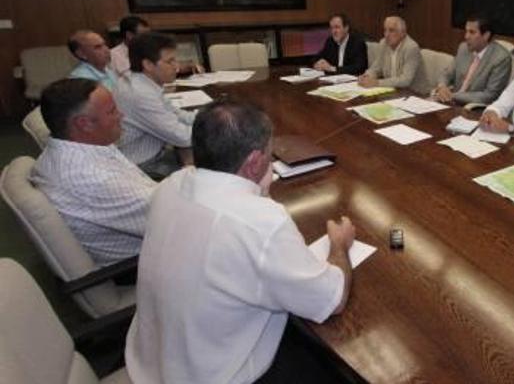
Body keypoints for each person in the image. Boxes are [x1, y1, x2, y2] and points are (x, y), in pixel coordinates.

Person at [125, 100, 356, 383]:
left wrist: (256, 191)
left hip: (157, 358)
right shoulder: (260, 222)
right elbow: (333, 300)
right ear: (254, 163)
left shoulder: (172, 184)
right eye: (270, 155)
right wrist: (339, 245)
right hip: (219, 374)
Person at [31, 78, 156, 266]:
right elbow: (172, 219)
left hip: (150, 223)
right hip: (142, 263)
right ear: (84, 124)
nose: (121, 115)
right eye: (112, 110)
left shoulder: (75, 148)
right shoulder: (92, 177)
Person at [114, 32, 193, 178]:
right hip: (146, 167)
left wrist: (206, 116)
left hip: (155, 154)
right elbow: (183, 137)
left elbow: (175, 113)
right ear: (148, 65)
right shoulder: (140, 94)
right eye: (170, 61)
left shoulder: (141, 82)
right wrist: (216, 128)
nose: (177, 66)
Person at [434, 15, 511, 105]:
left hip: (474, 109)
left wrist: (452, 95)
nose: (466, 36)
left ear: (486, 35)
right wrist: (442, 87)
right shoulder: (463, 48)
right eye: (466, 31)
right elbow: (446, 74)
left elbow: (489, 95)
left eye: (472, 32)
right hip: (451, 102)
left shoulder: (500, 58)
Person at [110, 15, 202, 77]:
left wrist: (182, 67)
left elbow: (167, 66)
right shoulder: (114, 55)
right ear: (129, 35)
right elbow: (136, 77)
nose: (148, 38)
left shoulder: (150, 49)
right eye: (144, 35)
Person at [358, 15, 429, 94]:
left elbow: (405, 80)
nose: (386, 35)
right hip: (393, 92)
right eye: (385, 30)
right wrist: (366, 76)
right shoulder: (383, 43)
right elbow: (376, 68)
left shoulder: (411, 48)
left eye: (391, 30)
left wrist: (377, 83)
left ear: (403, 33)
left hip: (415, 94)